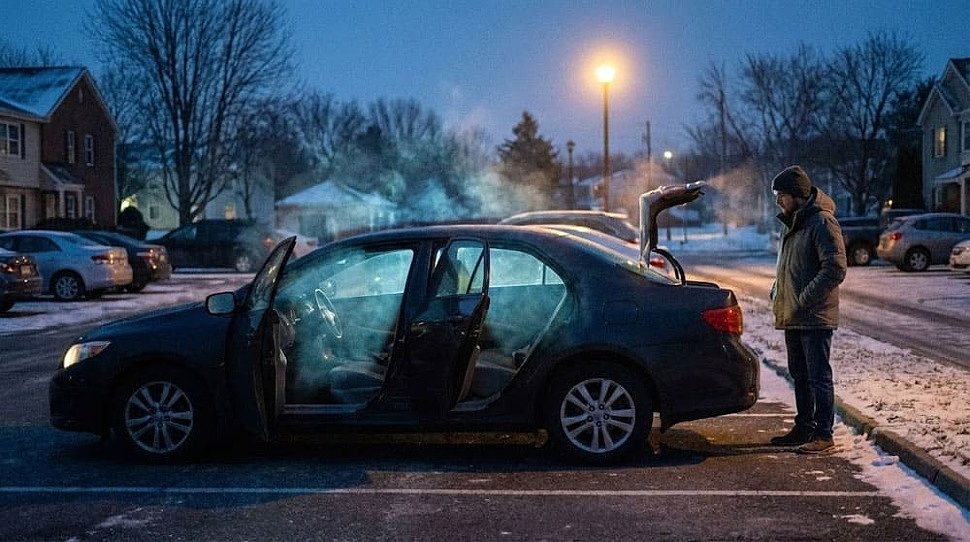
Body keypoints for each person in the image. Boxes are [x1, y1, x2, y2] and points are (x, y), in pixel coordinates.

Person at [768, 165, 847, 454]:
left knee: (818, 377)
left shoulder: (822, 223)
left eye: (782, 195)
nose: (778, 201)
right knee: (799, 376)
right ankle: (804, 428)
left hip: (813, 317)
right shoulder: (793, 225)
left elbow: (835, 268)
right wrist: (778, 290)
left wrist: (804, 298)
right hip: (795, 316)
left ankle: (824, 435)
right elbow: (791, 268)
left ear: (798, 195)